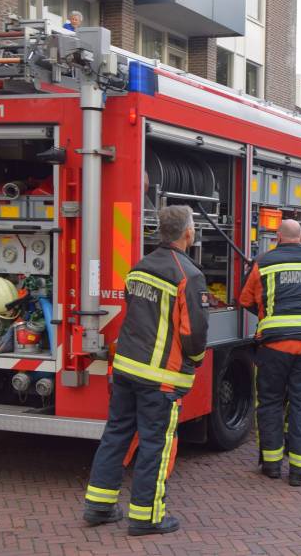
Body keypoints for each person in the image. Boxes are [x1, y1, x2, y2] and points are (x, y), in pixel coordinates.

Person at [83, 205, 209, 536]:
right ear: (187, 233)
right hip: (161, 378)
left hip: (125, 368)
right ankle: (147, 516)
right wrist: (194, 360)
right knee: (157, 443)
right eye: (193, 227)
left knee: (116, 434)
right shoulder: (188, 275)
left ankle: (99, 506)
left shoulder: (139, 267)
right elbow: (193, 332)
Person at [240, 220, 301, 487]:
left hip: (275, 345)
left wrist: (268, 313)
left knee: (269, 403)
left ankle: (272, 465)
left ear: (277, 236)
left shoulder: (263, 262)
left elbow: (245, 300)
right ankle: (300, 470)